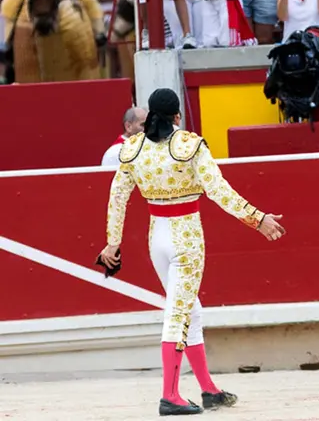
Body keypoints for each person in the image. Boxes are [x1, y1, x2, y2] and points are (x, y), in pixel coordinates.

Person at [98, 88, 286, 416]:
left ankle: (208, 389)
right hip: (186, 238)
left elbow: (118, 198)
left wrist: (113, 243)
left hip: (157, 237)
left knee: (190, 310)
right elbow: (220, 191)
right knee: (179, 315)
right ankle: (170, 394)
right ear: (176, 117)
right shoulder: (190, 146)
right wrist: (258, 219)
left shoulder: (133, 149)